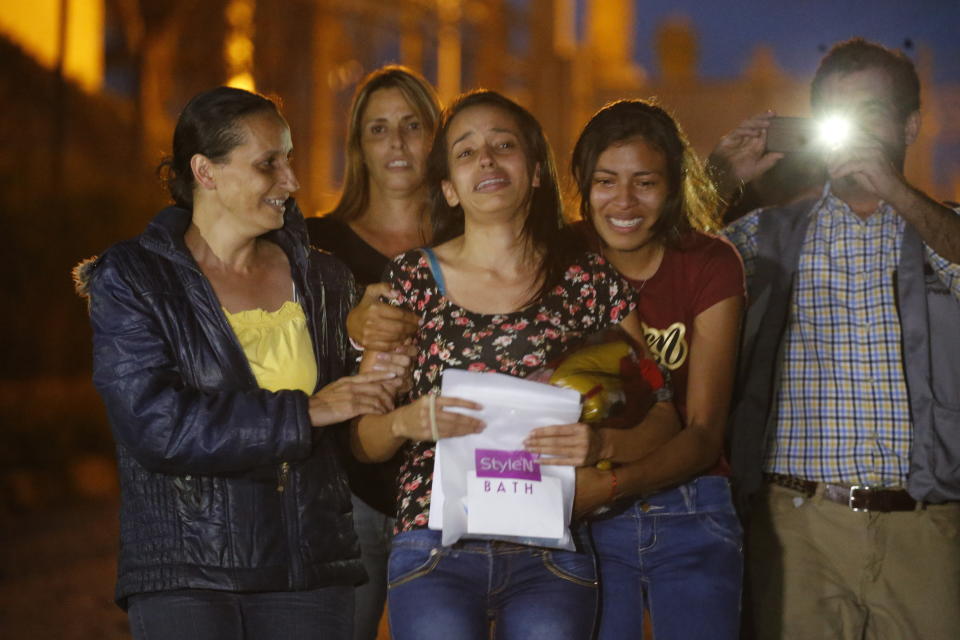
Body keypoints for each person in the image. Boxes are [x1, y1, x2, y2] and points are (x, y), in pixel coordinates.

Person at [75, 86, 401, 640]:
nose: (292, 182)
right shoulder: (133, 278)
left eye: (289, 159)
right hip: (186, 572)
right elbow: (158, 426)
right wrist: (306, 412)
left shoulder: (325, 280)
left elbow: (360, 414)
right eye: (268, 163)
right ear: (206, 172)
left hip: (311, 570)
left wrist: (387, 357)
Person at [350, 90, 678, 640]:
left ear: (535, 173)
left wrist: (601, 448)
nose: (486, 160)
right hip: (435, 543)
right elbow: (363, 440)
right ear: (450, 190)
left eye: (503, 145)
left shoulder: (587, 280)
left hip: (548, 547)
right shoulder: (411, 281)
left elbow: (663, 416)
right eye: (465, 152)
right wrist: (407, 422)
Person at [716, 38, 960, 640]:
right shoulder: (765, 232)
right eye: (839, 114)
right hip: (797, 529)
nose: (854, 132)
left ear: (910, 127)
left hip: (925, 527)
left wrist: (897, 193)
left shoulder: (942, 226)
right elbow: (662, 270)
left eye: (872, 113)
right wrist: (720, 180)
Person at [562, 99, 746, 639]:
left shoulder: (710, 263)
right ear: (582, 185)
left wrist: (617, 482)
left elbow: (705, 433)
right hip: (582, 515)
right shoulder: (560, 256)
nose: (623, 201)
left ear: (670, 189)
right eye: (604, 181)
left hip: (690, 504)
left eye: (644, 182)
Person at [305, 65, 440, 640]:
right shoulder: (318, 244)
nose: (397, 143)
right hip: (344, 494)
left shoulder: (468, 244)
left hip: (444, 493)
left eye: (412, 125)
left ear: (436, 137)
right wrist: (350, 329)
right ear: (358, 146)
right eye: (378, 129)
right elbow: (285, 357)